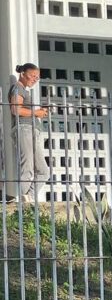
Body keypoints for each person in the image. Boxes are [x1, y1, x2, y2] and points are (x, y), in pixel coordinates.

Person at [7, 63, 49, 204]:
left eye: (37, 78)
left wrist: (38, 113)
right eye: (32, 76)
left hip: (31, 130)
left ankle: (27, 198)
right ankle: (21, 203)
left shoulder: (24, 90)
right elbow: (16, 110)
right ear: (23, 74)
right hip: (24, 129)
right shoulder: (18, 88)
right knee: (27, 168)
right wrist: (36, 113)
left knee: (43, 171)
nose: (35, 79)